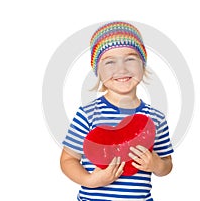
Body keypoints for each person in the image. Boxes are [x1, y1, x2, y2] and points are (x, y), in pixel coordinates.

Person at [60, 21, 174, 200]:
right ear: (98, 71)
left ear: (143, 66)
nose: (121, 69)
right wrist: (90, 180)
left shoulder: (155, 118)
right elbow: (68, 160)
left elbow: (167, 164)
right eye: (110, 62)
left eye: (130, 59)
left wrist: (156, 164)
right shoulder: (88, 114)